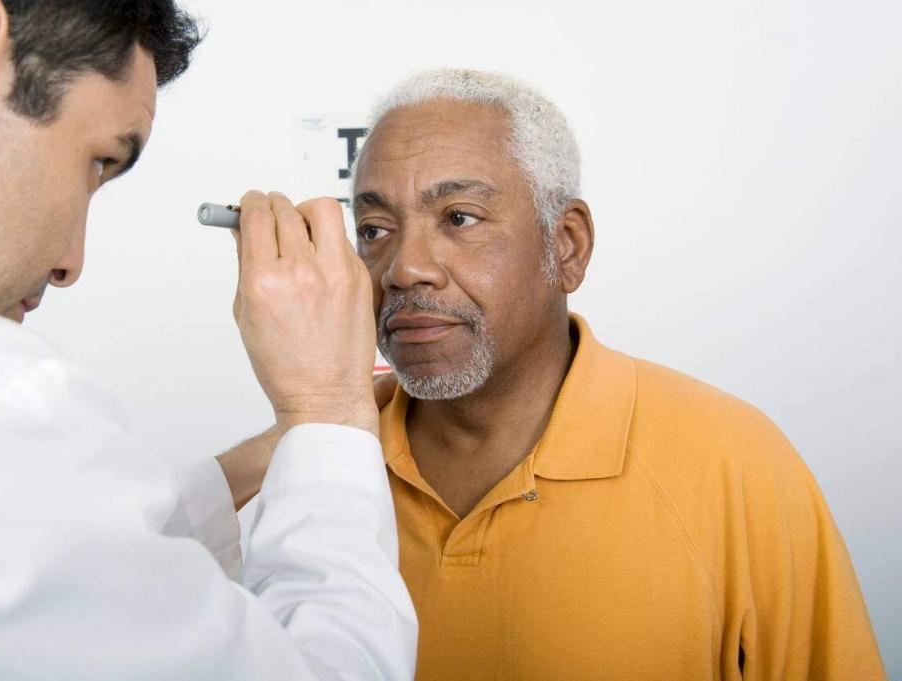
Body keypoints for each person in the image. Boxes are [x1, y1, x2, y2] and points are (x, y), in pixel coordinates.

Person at [244, 69, 887, 680]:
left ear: (568, 245)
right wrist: (311, 426)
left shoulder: (735, 461)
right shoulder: (308, 472)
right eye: (374, 228)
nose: (405, 269)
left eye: (459, 218)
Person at [0, 1, 416, 679]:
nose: (71, 262)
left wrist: (287, 450)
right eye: (97, 161)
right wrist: (328, 411)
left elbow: (58, 553)